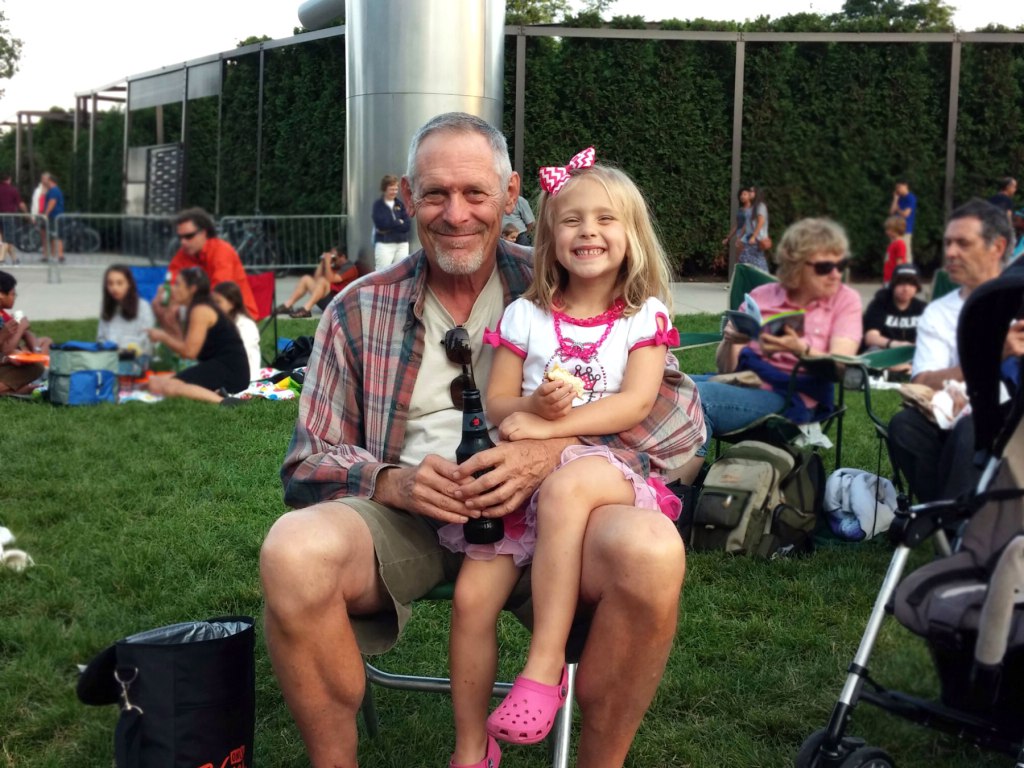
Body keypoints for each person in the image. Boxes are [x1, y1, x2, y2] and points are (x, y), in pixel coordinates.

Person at [262, 112, 702, 768]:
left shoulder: (564, 280)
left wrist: (548, 456)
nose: (456, 214)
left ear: (510, 194)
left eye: (475, 193)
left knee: (650, 551)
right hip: (409, 519)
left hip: (555, 520)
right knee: (293, 551)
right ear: (407, 198)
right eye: (435, 194)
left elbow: (680, 420)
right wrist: (394, 482)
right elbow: (308, 461)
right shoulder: (357, 307)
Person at [438, 152, 697, 762]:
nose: (588, 231)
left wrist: (555, 427)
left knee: (570, 484)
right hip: (518, 487)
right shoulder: (525, 316)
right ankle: (470, 748)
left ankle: (545, 665)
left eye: (606, 219)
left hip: (597, 473)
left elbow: (634, 404)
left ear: (633, 237)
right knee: (474, 598)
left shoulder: (644, 318)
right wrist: (533, 402)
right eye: (572, 220)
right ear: (549, 239)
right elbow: (501, 402)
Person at [694, 217, 863, 445]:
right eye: (825, 267)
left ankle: (677, 479)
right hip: (741, 380)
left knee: (695, 399)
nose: (836, 274)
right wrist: (731, 340)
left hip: (791, 398)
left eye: (840, 266)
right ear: (796, 266)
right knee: (662, 386)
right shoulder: (762, 295)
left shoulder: (845, 300)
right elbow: (726, 369)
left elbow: (841, 364)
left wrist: (800, 349)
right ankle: (656, 472)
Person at [888, 199, 1012, 503]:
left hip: (1011, 419)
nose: (950, 252)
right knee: (904, 426)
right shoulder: (939, 312)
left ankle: (952, 528)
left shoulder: (1017, 299)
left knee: (972, 427)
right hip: (951, 415)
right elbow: (922, 380)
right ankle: (956, 519)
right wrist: (991, 357)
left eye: (963, 243)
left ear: (997, 247)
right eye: (948, 243)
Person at [146, 267, 249, 405]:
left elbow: (189, 352)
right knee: (154, 383)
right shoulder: (196, 308)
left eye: (178, 284)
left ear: (192, 289)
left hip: (230, 369)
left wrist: (162, 337)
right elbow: (182, 344)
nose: (173, 289)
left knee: (169, 387)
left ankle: (225, 402)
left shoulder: (201, 310)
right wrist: (162, 316)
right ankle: (215, 393)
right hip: (217, 365)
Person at [152, 208, 258, 335]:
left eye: (189, 236)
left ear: (204, 233)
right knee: (160, 306)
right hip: (202, 309)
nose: (183, 242)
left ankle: (185, 349)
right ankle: (180, 350)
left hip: (235, 314)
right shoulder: (183, 255)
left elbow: (219, 295)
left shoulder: (222, 251)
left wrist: (182, 304)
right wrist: (168, 299)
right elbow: (172, 284)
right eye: (180, 237)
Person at [861, 263, 926, 377]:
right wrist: (895, 344)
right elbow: (871, 337)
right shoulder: (879, 304)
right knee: (872, 352)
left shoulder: (923, 308)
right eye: (901, 284)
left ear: (917, 287)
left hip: (912, 353)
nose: (906, 289)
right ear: (893, 285)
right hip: (886, 352)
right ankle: (906, 370)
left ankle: (904, 370)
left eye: (911, 284)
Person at [97, 265, 155, 375]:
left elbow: (146, 342)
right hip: (110, 358)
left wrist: (122, 350)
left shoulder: (143, 307)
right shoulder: (105, 306)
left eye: (119, 283)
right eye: (110, 283)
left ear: (129, 284)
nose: (114, 288)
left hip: (135, 359)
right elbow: (100, 337)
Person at [0, 270, 49, 396]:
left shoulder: (2, 315)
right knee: (35, 368)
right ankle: (21, 389)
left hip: (5, 359)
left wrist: (36, 351)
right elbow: (6, 348)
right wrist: (19, 329)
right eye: (12, 294)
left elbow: (26, 334)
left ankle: (18, 387)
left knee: (45, 342)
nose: (15, 297)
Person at [273, 245, 358, 318]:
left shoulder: (349, 267)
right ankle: (288, 305)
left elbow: (331, 279)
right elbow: (316, 278)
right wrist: (323, 262)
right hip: (328, 299)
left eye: (334, 258)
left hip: (339, 303)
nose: (333, 260)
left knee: (323, 280)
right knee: (306, 279)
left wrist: (328, 263)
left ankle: (306, 309)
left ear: (342, 257)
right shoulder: (335, 266)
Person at [212, 281, 261, 382]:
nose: (214, 306)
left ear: (232, 304)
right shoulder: (219, 321)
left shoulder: (245, 325)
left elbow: (242, 355)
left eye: (218, 302)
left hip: (243, 372)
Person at [372, 174, 411, 270]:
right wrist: (398, 222)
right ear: (384, 189)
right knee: (382, 273)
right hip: (385, 244)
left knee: (401, 273)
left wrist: (391, 224)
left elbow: (407, 225)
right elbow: (381, 225)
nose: (394, 192)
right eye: (391, 189)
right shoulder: (378, 205)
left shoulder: (400, 204)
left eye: (396, 189)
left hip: (402, 244)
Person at [739, 184, 770, 271]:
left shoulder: (761, 206)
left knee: (753, 260)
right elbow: (747, 224)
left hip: (757, 239)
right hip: (750, 237)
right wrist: (740, 237)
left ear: (757, 193)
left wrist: (754, 236)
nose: (750, 193)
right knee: (747, 260)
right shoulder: (752, 207)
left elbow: (761, 222)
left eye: (751, 191)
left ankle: (764, 279)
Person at [0, 172, 27, 266]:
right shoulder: (13, 190)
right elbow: (21, 204)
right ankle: (1, 260)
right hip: (8, 216)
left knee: (5, 240)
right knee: (8, 239)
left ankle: (15, 260)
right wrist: (27, 214)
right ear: (9, 179)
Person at [722, 186, 752, 263]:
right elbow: (737, 225)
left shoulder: (752, 209)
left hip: (748, 237)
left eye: (745, 194)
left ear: (750, 196)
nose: (742, 196)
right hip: (739, 236)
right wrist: (728, 238)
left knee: (746, 260)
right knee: (739, 260)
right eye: (741, 194)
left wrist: (740, 238)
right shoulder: (740, 210)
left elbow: (747, 225)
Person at [889, 180, 917, 262]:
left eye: (900, 187)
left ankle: (908, 270)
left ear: (906, 186)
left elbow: (906, 214)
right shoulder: (899, 198)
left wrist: (898, 209)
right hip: (895, 229)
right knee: (894, 251)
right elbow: (891, 212)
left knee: (906, 251)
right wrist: (895, 199)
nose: (898, 189)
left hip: (905, 229)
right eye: (897, 188)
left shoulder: (911, 198)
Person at [41, 172, 65, 264]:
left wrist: (46, 214)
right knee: (54, 236)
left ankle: (59, 255)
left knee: (56, 236)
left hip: (55, 216)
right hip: (55, 216)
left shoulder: (54, 191)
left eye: (47, 180)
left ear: (50, 181)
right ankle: (57, 255)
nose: (45, 182)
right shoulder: (53, 190)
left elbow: (52, 202)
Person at [881, 214, 908, 285]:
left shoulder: (900, 244)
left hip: (894, 278)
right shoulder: (893, 243)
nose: (886, 232)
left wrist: (898, 277)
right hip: (888, 277)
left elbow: (900, 262)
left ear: (896, 230)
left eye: (888, 230)